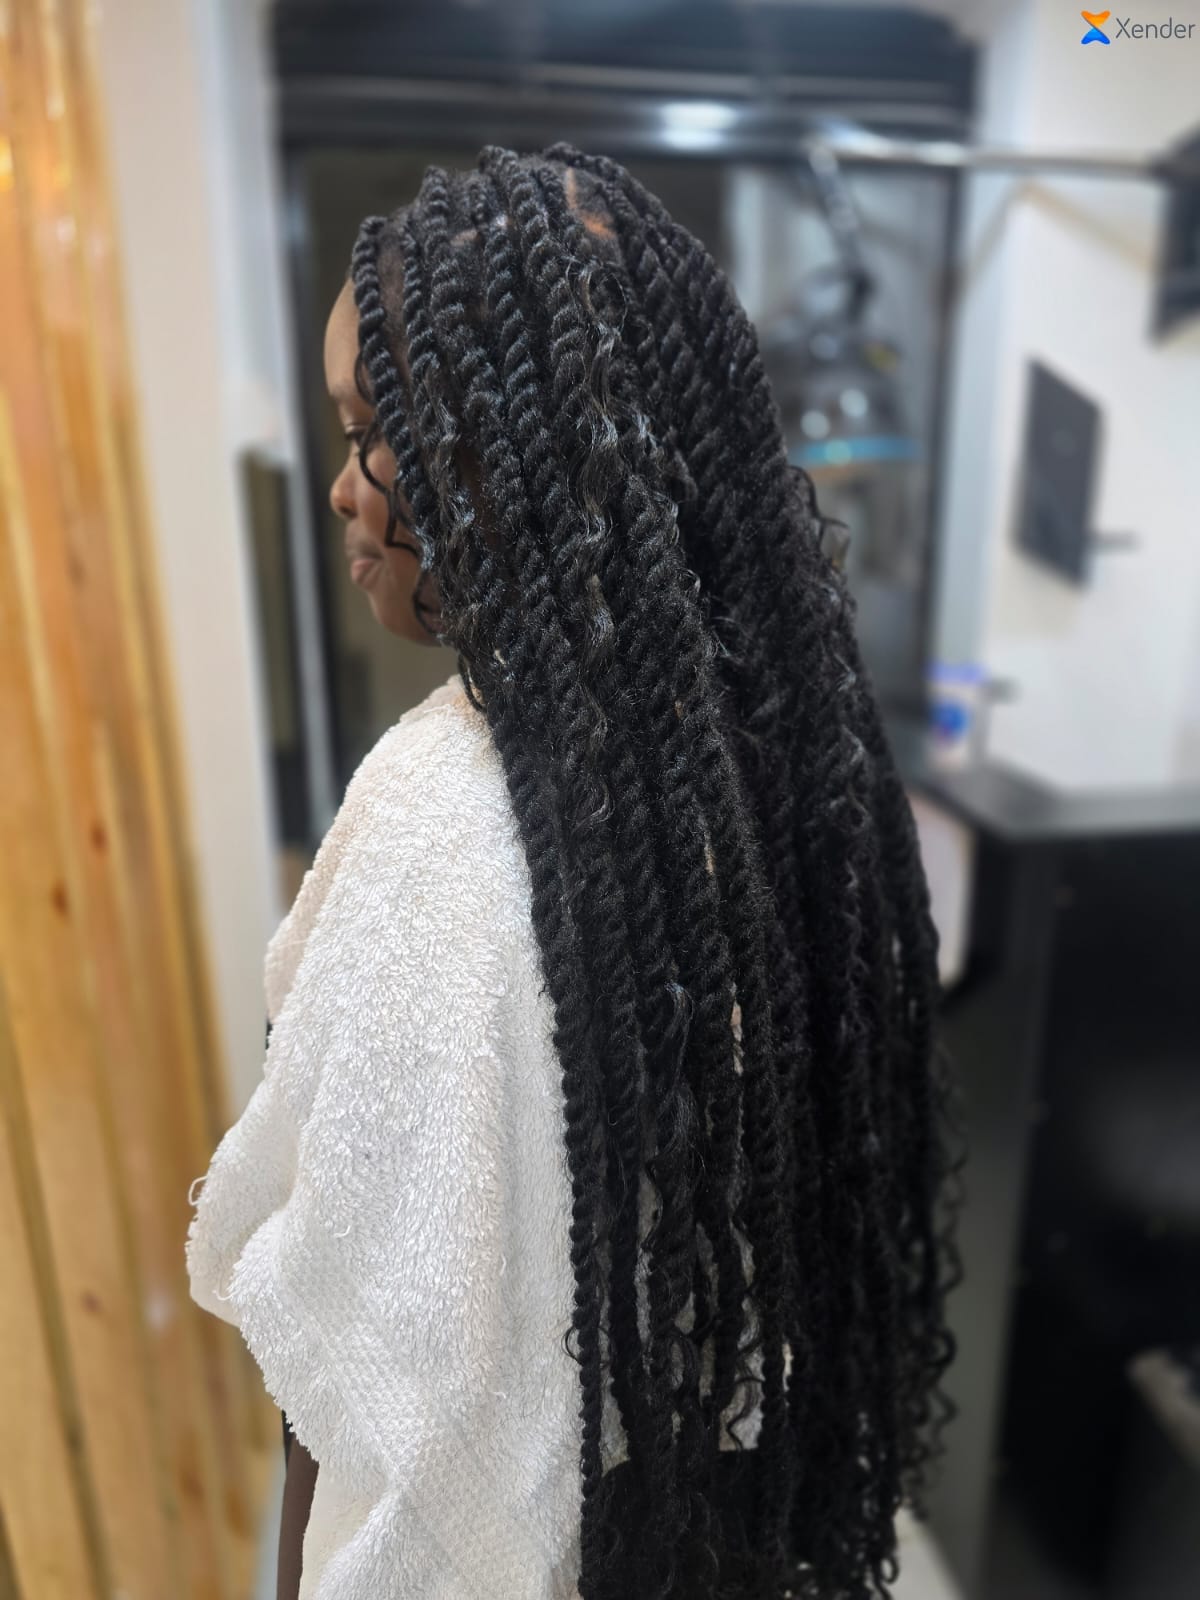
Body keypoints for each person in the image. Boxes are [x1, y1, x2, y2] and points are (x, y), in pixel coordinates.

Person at [185, 143, 962, 1600]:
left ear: (518, 448)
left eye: (376, 435)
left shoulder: (443, 815)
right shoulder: (768, 755)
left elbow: (375, 1399)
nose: (349, 493)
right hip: (714, 1514)